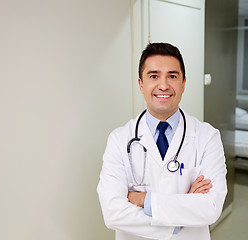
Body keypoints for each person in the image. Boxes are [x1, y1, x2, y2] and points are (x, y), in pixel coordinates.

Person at [97, 42, 227, 240]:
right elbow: (113, 212)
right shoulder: (119, 139)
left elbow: (211, 207)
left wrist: (144, 200)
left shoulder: (207, 137)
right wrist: (178, 218)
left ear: (183, 83)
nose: (164, 85)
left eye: (172, 76)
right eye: (154, 76)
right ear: (141, 84)